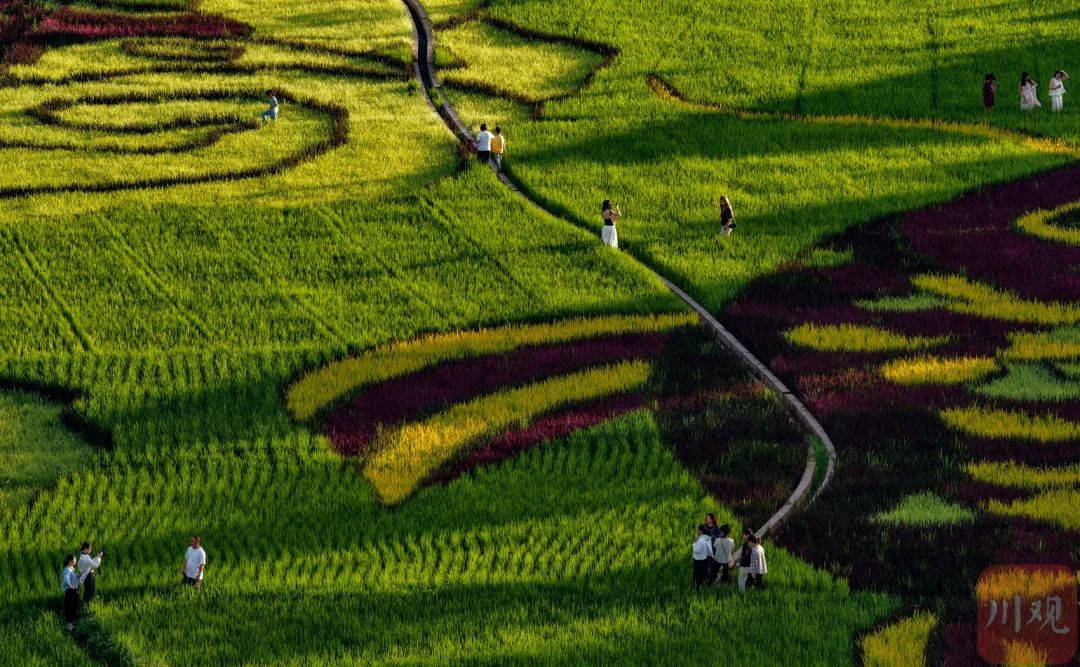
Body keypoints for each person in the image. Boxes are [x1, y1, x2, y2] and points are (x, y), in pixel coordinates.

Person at [730, 528, 755, 593]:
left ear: (747, 536)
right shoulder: (754, 543)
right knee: (750, 580)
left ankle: (742, 594)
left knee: (741, 580)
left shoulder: (745, 545)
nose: (743, 536)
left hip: (745, 566)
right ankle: (750, 593)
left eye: (744, 535)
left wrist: (736, 561)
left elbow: (743, 555)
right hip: (752, 566)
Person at [61, 555, 79, 631]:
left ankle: (72, 624)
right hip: (70, 591)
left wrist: (79, 574)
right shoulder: (67, 570)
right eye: (74, 560)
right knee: (70, 608)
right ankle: (69, 625)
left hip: (73, 591)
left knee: (74, 607)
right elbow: (66, 579)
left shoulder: (72, 569)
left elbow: (74, 577)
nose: (75, 561)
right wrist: (71, 586)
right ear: (70, 561)